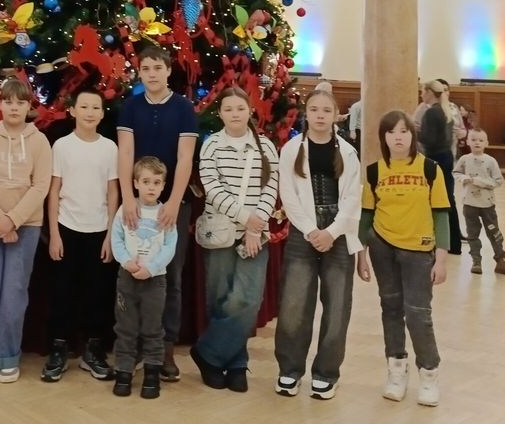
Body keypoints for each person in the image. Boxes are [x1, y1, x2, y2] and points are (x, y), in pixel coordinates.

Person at [357, 110, 449, 408]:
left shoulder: (430, 169)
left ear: (412, 135)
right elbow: (366, 215)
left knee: (418, 313)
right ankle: (396, 370)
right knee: (391, 308)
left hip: (419, 251)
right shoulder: (374, 172)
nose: (398, 137)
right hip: (382, 247)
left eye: (404, 131)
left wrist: (441, 259)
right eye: (391, 132)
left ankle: (429, 373)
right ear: (383, 137)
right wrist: (361, 255)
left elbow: (441, 215)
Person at [116, 45, 198, 381]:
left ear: (168, 71)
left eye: (157, 68)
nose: (152, 74)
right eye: (146, 68)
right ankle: (133, 347)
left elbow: (185, 157)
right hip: (136, 203)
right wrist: (128, 199)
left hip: (171, 205)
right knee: (132, 268)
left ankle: (164, 348)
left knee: (169, 274)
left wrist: (174, 202)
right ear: (140, 72)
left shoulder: (183, 108)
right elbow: (125, 154)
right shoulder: (130, 107)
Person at [274, 88, 360, 401]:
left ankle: (326, 373)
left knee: (337, 306)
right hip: (303, 232)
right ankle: (290, 369)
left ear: (336, 115)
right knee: (294, 302)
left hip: (338, 233)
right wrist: (312, 230)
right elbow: (288, 195)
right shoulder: (292, 149)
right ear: (306, 114)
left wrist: (332, 232)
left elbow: (353, 197)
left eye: (326, 110)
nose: (320, 115)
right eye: (314, 109)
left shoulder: (347, 152)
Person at [191, 88, 279, 393]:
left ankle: (207, 354)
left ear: (249, 110)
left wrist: (255, 227)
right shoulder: (212, 145)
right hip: (220, 231)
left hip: (255, 233)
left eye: (240, 108)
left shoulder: (265, 146)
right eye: (228, 109)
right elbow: (212, 187)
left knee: (248, 299)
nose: (235, 114)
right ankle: (236, 362)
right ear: (220, 114)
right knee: (221, 299)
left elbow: (270, 187)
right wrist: (245, 217)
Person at [0, 77, 52, 383]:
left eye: (20, 102)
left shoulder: (39, 141)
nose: (14, 107)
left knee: (14, 293)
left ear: (29, 106)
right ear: (0, 104)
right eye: (8, 102)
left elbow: (41, 185)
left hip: (25, 228)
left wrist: (13, 220)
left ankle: (7, 357)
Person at [42, 89, 119, 383]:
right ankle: (59, 348)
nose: (89, 112)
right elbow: (53, 191)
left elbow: (113, 192)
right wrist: (54, 234)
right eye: (84, 106)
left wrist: (110, 234)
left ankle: (93, 350)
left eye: (95, 107)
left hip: (99, 230)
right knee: (62, 292)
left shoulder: (109, 147)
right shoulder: (62, 146)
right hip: (67, 228)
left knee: (97, 294)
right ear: (72, 110)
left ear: (102, 113)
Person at [110, 157, 178, 400]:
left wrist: (152, 268)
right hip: (127, 278)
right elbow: (116, 238)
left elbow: (170, 246)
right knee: (125, 327)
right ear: (136, 183)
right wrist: (126, 262)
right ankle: (124, 371)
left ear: (163, 186)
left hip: (154, 280)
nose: (151, 187)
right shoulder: (126, 210)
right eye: (146, 181)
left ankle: (152, 373)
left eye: (156, 182)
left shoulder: (165, 213)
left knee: (153, 328)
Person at [453, 128, 505, 277]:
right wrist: (463, 178)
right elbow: (456, 172)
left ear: (486, 143)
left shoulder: (490, 161)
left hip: (487, 205)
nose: (477, 142)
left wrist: (481, 182)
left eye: (481, 140)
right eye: (474, 139)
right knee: (472, 234)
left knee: (494, 232)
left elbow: (498, 181)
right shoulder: (464, 159)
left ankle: (501, 261)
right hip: (470, 204)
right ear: (468, 141)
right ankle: (476, 261)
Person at [417, 80, 462, 254]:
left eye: (423, 91)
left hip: (435, 158)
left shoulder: (431, 112)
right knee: (448, 198)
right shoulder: (445, 110)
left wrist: (413, 132)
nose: (421, 94)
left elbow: (429, 139)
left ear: (429, 92)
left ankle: (438, 240)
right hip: (446, 156)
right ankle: (454, 243)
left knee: (435, 200)